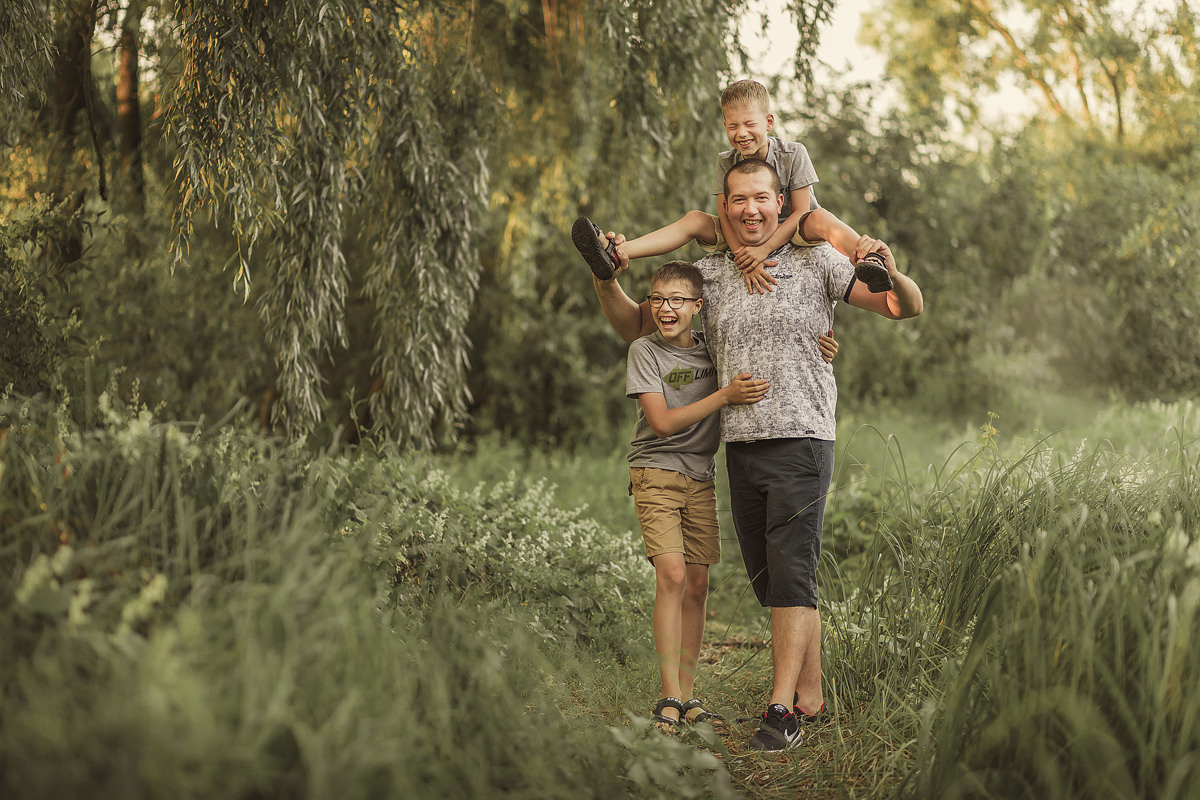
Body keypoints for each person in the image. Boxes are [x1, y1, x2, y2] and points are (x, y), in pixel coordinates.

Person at [596, 159, 923, 752]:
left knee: (793, 574)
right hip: (739, 448)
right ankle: (813, 694)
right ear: (725, 206)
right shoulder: (710, 276)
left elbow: (905, 308)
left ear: (781, 204)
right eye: (739, 199)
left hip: (802, 440)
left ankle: (781, 713)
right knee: (770, 579)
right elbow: (636, 325)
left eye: (762, 199)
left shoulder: (819, 262)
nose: (751, 209)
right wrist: (605, 279)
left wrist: (895, 276)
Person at [625, 260, 839, 731]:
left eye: (678, 300)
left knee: (699, 585)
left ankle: (688, 694)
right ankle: (669, 695)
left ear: (699, 308)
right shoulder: (644, 351)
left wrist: (821, 347)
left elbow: (767, 345)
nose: (666, 308)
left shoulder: (709, 350)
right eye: (658, 300)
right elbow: (660, 424)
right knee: (673, 575)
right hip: (656, 471)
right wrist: (724, 396)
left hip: (700, 477)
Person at [572, 78, 892, 295]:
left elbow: (801, 210)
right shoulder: (726, 159)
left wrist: (763, 250)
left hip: (792, 226)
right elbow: (723, 214)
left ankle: (867, 258)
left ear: (768, 122)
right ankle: (615, 252)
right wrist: (741, 255)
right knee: (695, 219)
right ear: (725, 125)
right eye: (733, 125)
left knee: (821, 218)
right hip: (743, 228)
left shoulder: (794, 153)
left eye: (750, 124)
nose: (742, 133)